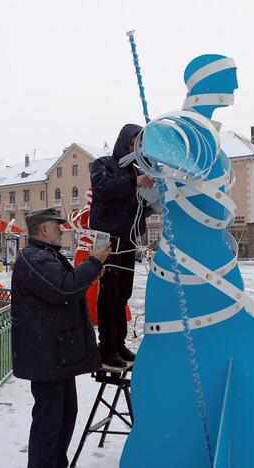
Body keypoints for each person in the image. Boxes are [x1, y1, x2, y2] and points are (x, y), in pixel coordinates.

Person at [11, 207, 112, 468]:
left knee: (65, 417)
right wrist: (94, 262)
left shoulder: (45, 255)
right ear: (43, 229)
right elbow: (64, 288)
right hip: (46, 358)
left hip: (56, 356)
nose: (61, 229)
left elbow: (66, 284)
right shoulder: (33, 258)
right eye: (57, 226)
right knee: (49, 423)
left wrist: (88, 270)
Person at [90, 123, 154, 368]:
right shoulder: (103, 165)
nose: (136, 146)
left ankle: (119, 343)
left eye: (140, 142)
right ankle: (106, 347)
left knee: (123, 293)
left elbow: (136, 205)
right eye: (134, 140)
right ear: (125, 140)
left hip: (128, 238)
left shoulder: (138, 169)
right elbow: (104, 189)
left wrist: (151, 203)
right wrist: (134, 183)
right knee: (109, 292)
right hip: (109, 237)